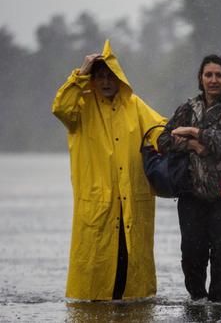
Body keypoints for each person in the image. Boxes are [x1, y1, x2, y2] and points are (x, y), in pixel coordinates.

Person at [52, 40, 167, 300]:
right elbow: (60, 108)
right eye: (100, 76)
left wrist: (184, 138)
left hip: (131, 206)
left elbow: (159, 130)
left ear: (119, 78)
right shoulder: (81, 108)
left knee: (131, 281)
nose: (105, 82)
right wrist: (81, 72)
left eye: (110, 76)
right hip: (97, 208)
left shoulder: (135, 106)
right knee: (95, 278)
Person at [157, 54, 221, 303]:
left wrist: (195, 133)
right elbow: (163, 141)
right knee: (191, 255)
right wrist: (194, 146)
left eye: (219, 75)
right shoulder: (187, 108)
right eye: (208, 75)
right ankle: (197, 302)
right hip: (192, 194)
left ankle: (220, 307)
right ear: (201, 78)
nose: (213, 80)